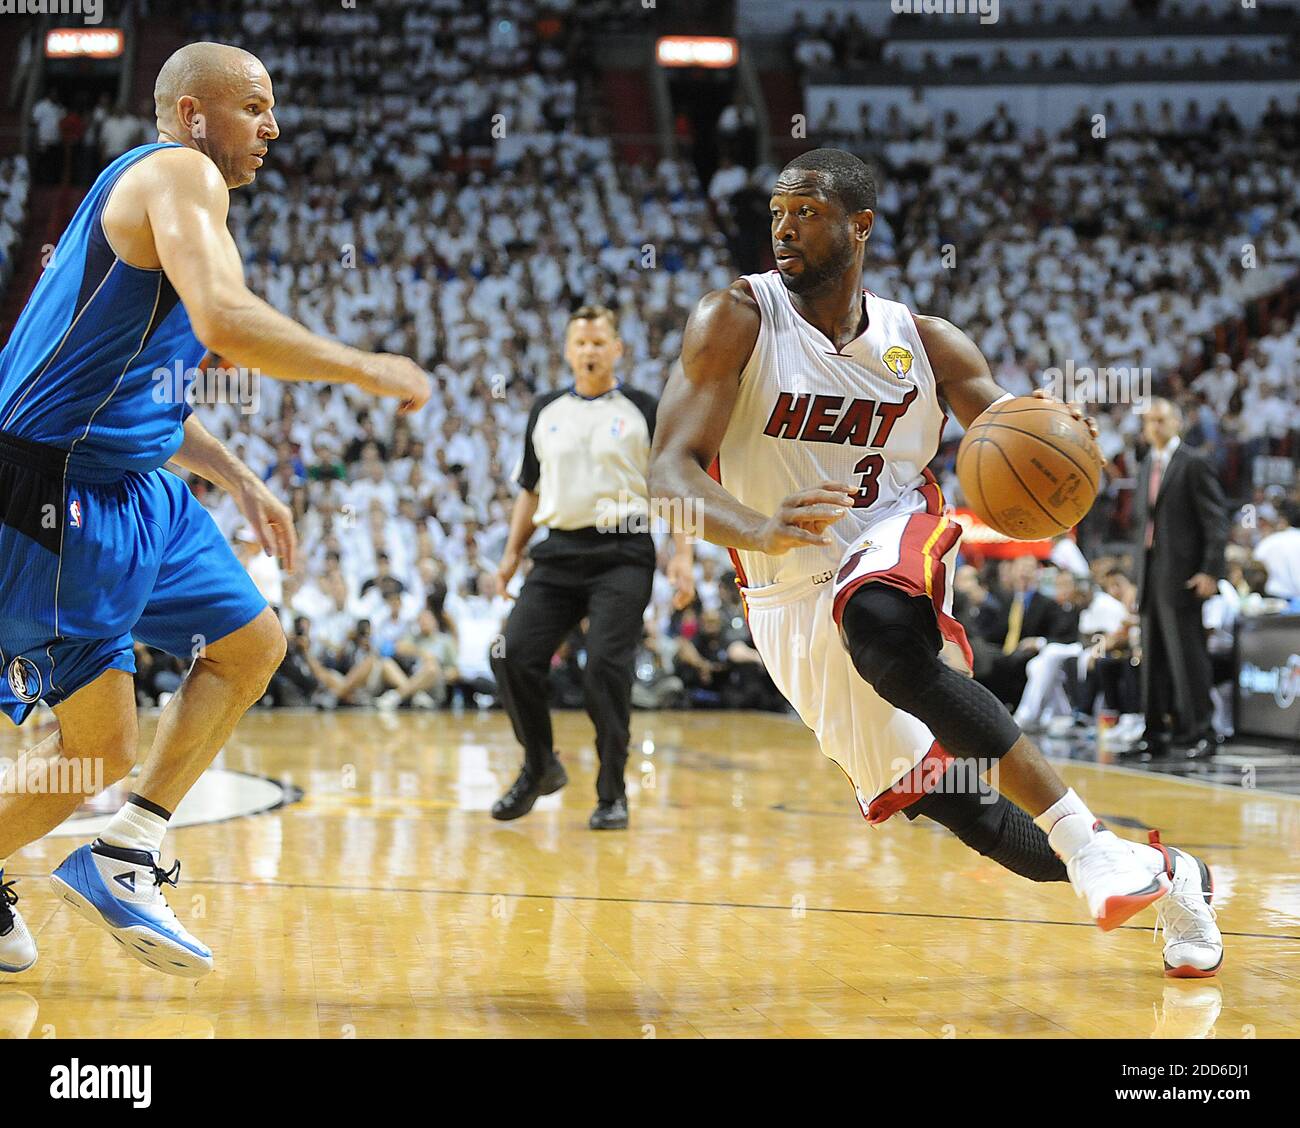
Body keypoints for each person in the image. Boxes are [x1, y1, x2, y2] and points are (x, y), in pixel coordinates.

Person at [648, 148, 1221, 977]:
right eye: (777, 211)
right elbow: (665, 476)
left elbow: (1023, 440)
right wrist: (761, 529)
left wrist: (1073, 448)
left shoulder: (925, 343)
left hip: (890, 532)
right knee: (972, 812)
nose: (784, 227)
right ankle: (1168, 877)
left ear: (860, 226)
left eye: (805, 211)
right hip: (783, 589)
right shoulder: (736, 318)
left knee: (880, 628)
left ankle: (1084, 839)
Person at [0, 42, 429, 978]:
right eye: (255, 105)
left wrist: (237, 473)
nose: (272, 125)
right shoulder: (179, 173)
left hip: (138, 483)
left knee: (252, 644)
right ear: (194, 114)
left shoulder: (181, 211)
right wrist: (365, 366)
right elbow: (230, 323)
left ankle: (125, 851)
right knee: (95, 749)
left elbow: (146, 394)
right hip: (54, 495)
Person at [490, 306, 694, 830]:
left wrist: (683, 557)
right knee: (512, 654)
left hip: (622, 552)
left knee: (605, 665)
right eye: (580, 343)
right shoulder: (545, 409)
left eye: (599, 342)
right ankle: (539, 766)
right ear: (566, 350)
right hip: (557, 551)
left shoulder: (645, 408)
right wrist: (512, 554)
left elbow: (675, 488)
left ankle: (611, 792)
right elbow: (529, 489)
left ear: (618, 349)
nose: (589, 351)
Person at [1125, 398, 1229, 760]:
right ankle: (1154, 733)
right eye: (1149, 421)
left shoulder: (1194, 462)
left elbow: (1216, 521)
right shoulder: (1145, 465)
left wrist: (1211, 570)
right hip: (1151, 572)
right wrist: (1135, 578)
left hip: (1184, 575)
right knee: (1151, 657)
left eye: (1161, 419)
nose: (1155, 426)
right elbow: (1143, 527)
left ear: (1177, 422)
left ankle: (1200, 732)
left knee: (1188, 657)